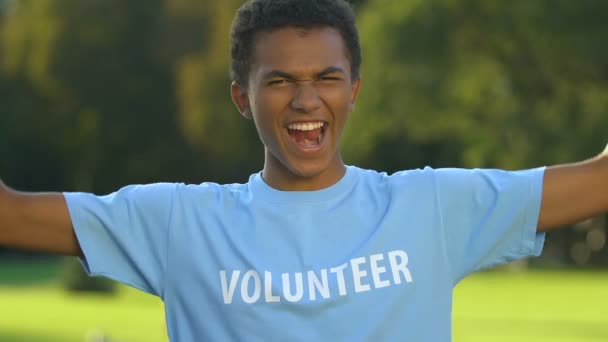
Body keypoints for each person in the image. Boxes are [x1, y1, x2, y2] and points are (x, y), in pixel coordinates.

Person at [0, 0, 606, 340]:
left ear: (355, 90)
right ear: (242, 96)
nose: (306, 100)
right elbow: (12, 216)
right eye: (281, 81)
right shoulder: (179, 222)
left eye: (326, 79)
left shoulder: (431, 207)